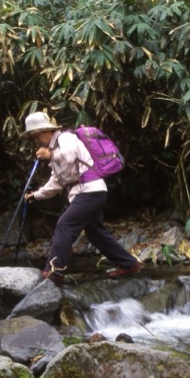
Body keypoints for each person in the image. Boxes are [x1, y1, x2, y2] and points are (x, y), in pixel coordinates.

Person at [21, 111, 142, 283]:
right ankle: (130, 265)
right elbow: (56, 182)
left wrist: (50, 155)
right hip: (89, 193)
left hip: (90, 191)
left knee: (64, 224)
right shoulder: (55, 149)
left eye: (35, 136)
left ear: (45, 131)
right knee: (96, 234)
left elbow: (69, 155)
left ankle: (54, 270)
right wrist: (35, 195)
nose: (35, 141)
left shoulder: (65, 138)